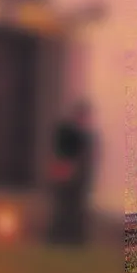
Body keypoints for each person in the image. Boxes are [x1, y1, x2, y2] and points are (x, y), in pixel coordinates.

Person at [47, 101, 95, 246]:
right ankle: (59, 237)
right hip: (66, 174)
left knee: (75, 208)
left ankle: (73, 238)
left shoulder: (85, 135)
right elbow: (61, 153)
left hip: (78, 178)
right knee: (63, 207)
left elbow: (87, 159)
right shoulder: (66, 131)